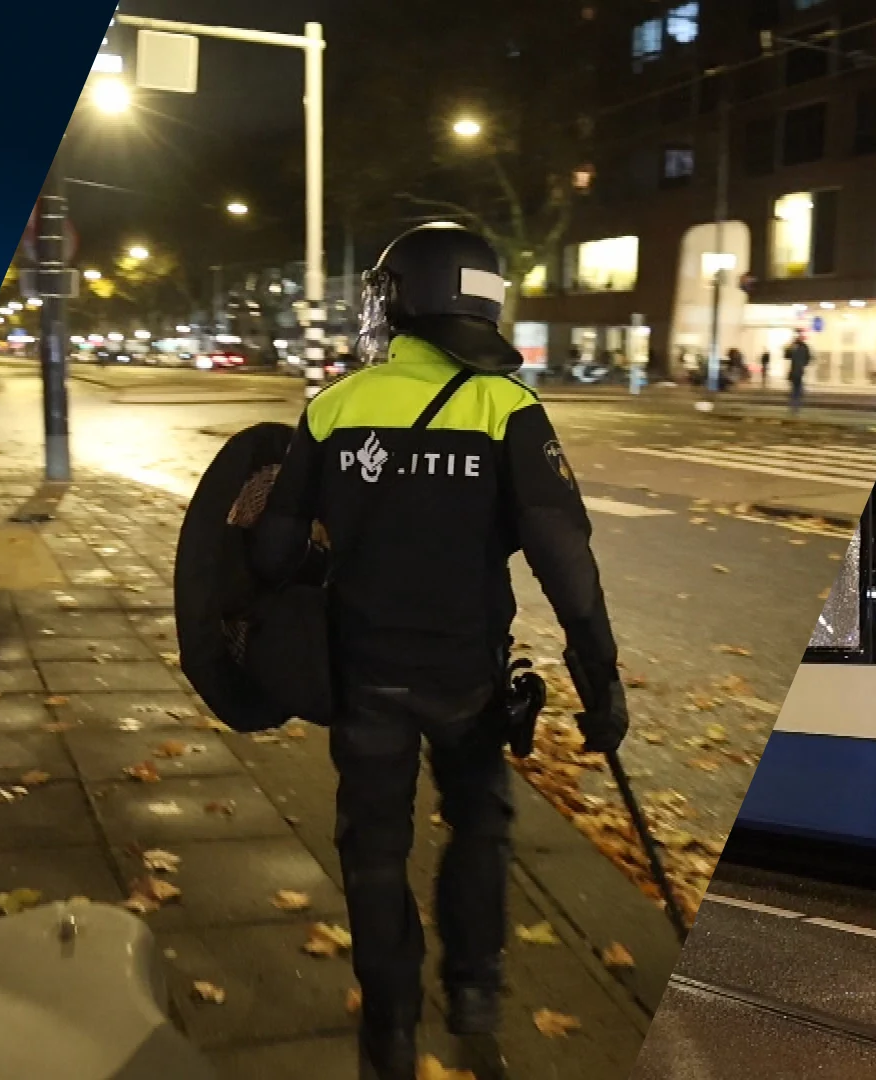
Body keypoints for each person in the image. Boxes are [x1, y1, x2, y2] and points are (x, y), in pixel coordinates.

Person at [249, 223, 628, 1080]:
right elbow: (566, 560)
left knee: (373, 849)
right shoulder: (509, 410)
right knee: (480, 823)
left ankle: (387, 1028)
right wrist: (600, 683)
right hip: (466, 678)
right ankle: (475, 995)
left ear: (401, 299)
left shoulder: (335, 407)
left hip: (364, 675)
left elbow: (273, 558)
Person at [786, 330, 812, 414]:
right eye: (799, 335)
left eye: (801, 335)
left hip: (799, 371)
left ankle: (795, 407)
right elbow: (787, 355)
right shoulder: (794, 346)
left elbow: (808, 357)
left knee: (797, 390)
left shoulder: (804, 346)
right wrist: (790, 346)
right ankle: (794, 407)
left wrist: (803, 364)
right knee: (796, 390)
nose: (800, 337)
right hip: (794, 371)